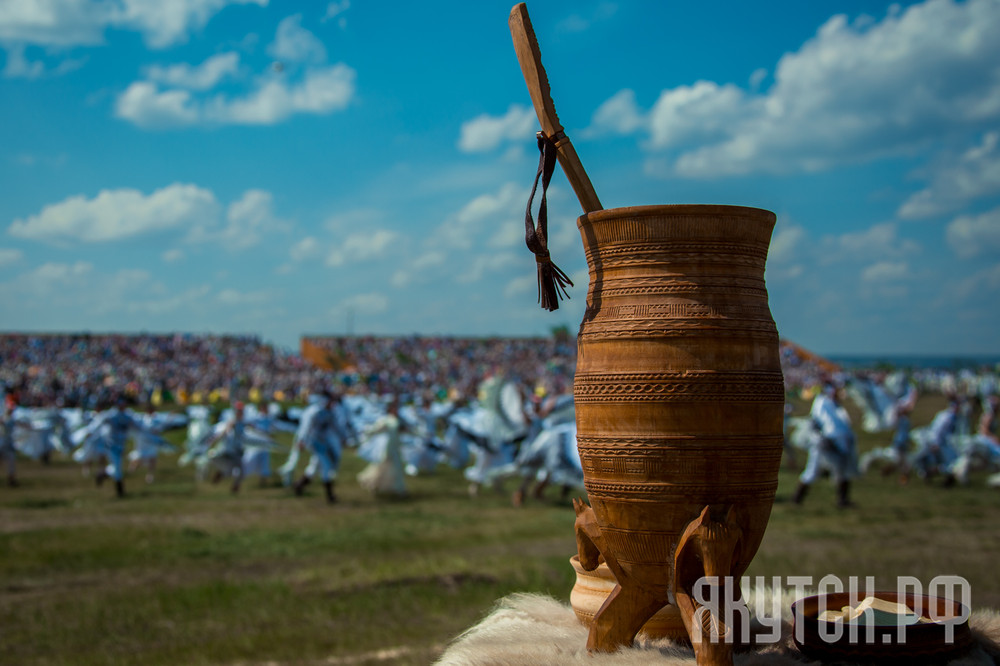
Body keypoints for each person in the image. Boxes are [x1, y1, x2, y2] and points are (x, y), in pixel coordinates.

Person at [792, 381, 859, 508]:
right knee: (813, 470)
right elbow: (823, 423)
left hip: (832, 441)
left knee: (841, 470)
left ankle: (842, 500)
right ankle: (797, 498)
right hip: (824, 442)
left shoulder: (833, 404)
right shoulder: (822, 402)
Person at [292, 391, 349, 503]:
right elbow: (305, 427)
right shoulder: (314, 412)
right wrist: (301, 441)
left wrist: (343, 437)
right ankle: (330, 495)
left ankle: (299, 485)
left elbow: (336, 426)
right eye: (331, 401)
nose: (332, 403)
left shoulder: (330, 412)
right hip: (315, 443)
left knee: (314, 467)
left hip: (324, 443)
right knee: (326, 466)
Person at [357, 396, 408, 498]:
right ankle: (398, 490)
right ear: (390, 409)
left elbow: (404, 431)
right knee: (384, 468)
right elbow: (375, 429)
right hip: (388, 448)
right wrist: (366, 431)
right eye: (394, 408)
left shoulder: (398, 420)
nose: (396, 410)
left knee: (387, 468)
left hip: (394, 448)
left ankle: (396, 489)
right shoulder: (386, 420)